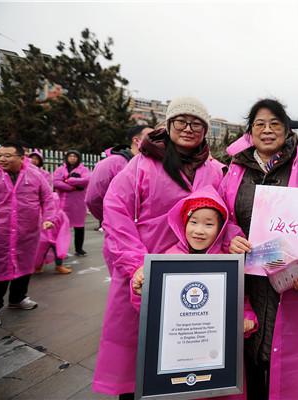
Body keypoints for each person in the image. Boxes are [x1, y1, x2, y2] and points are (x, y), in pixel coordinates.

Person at [93, 97, 224, 399]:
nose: (188, 129)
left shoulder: (214, 170)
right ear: (168, 125)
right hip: (145, 270)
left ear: (205, 130)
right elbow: (115, 211)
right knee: (136, 352)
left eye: (197, 124)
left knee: (185, 350)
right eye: (181, 121)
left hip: (194, 273)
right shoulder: (142, 164)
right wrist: (137, 264)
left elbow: (224, 213)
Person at [220, 98, 298, 400]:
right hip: (245, 275)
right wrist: (231, 237)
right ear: (249, 132)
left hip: (289, 280)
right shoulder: (232, 171)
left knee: (283, 359)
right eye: (259, 124)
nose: (267, 130)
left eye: (275, 123)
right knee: (246, 349)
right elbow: (219, 213)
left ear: (287, 130)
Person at [131, 188, 258, 400]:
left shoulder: (228, 264)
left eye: (209, 224)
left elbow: (240, 301)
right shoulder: (167, 260)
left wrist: (248, 320)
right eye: (193, 222)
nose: (199, 230)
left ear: (220, 228)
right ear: (183, 224)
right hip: (176, 362)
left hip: (217, 364)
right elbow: (150, 313)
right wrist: (140, 289)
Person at [0, 142, 56, 328]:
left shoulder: (34, 174)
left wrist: (49, 217)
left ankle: (18, 298)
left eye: (7, 155)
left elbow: (48, 197)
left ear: (21, 157)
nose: (2, 158)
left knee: (25, 265)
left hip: (27, 231)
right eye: (0, 155)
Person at [86, 125, 153, 223]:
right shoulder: (111, 163)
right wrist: (112, 220)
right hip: (119, 227)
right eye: (151, 136)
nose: (156, 139)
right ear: (136, 140)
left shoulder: (154, 165)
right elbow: (93, 199)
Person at [53, 150, 91, 256]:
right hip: (63, 204)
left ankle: (79, 249)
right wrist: (74, 187)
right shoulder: (60, 169)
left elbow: (87, 180)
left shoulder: (84, 169)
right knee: (62, 228)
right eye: (70, 156)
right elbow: (56, 182)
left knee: (79, 226)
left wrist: (69, 180)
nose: (73, 158)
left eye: (75, 156)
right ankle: (60, 250)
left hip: (78, 203)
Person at [33, 192, 72, 274]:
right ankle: (37, 266)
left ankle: (59, 266)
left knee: (58, 251)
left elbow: (65, 225)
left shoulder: (60, 213)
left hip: (56, 238)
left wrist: (62, 237)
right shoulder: (40, 213)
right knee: (40, 253)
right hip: (42, 238)